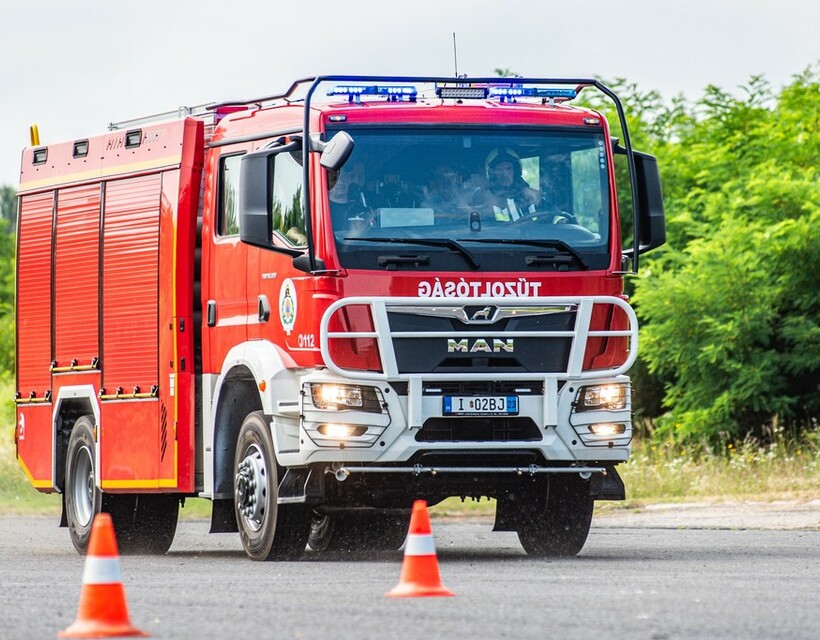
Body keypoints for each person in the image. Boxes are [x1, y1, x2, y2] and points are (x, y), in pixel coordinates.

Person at [474, 148, 542, 222]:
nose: (505, 175)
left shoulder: (531, 195)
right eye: (499, 170)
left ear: (516, 171)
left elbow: (549, 219)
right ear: (491, 174)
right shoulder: (482, 197)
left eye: (509, 168)